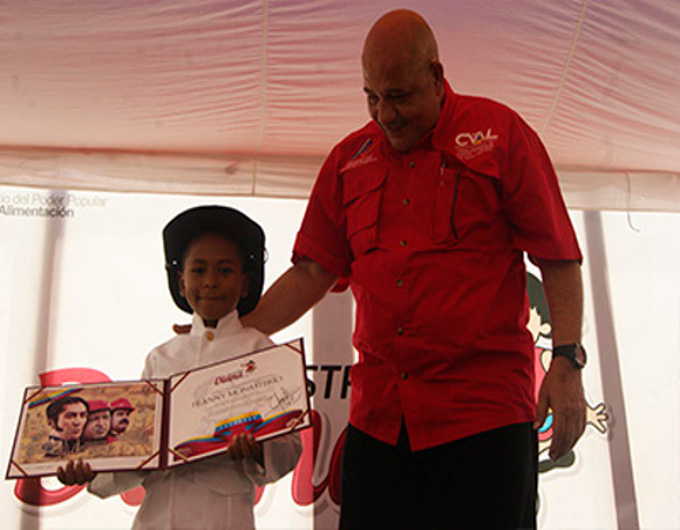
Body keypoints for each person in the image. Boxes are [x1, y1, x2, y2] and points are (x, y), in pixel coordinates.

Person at [241, 9, 587, 529]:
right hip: (379, 422)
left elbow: (558, 255)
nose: (386, 114)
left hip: (483, 417)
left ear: (436, 75)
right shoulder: (348, 159)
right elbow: (312, 271)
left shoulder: (500, 133)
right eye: (372, 97)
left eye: (399, 96)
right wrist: (234, 337)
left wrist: (566, 362)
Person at [58, 205, 302, 530]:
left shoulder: (262, 351)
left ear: (244, 283)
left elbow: (289, 447)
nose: (211, 281)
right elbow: (136, 446)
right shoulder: (161, 358)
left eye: (225, 270)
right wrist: (92, 468)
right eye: (198, 270)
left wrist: (257, 451)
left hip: (224, 519)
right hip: (157, 517)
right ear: (182, 283)